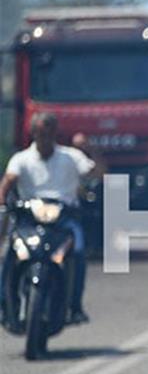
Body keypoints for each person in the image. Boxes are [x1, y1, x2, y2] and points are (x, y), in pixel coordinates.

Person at [0, 112, 99, 324]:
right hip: (29, 219)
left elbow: (98, 173)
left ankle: (75, 306)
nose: (44, 138)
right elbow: (8, 181)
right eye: (40, 134)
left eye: (49, 133)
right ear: (33, 133)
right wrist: (2, 203)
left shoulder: (71, 156)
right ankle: (3, 303)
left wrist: (91, 150)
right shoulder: (21, 159)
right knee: (9, 252)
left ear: (55, 133)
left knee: (78, 251)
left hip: (64, 219)